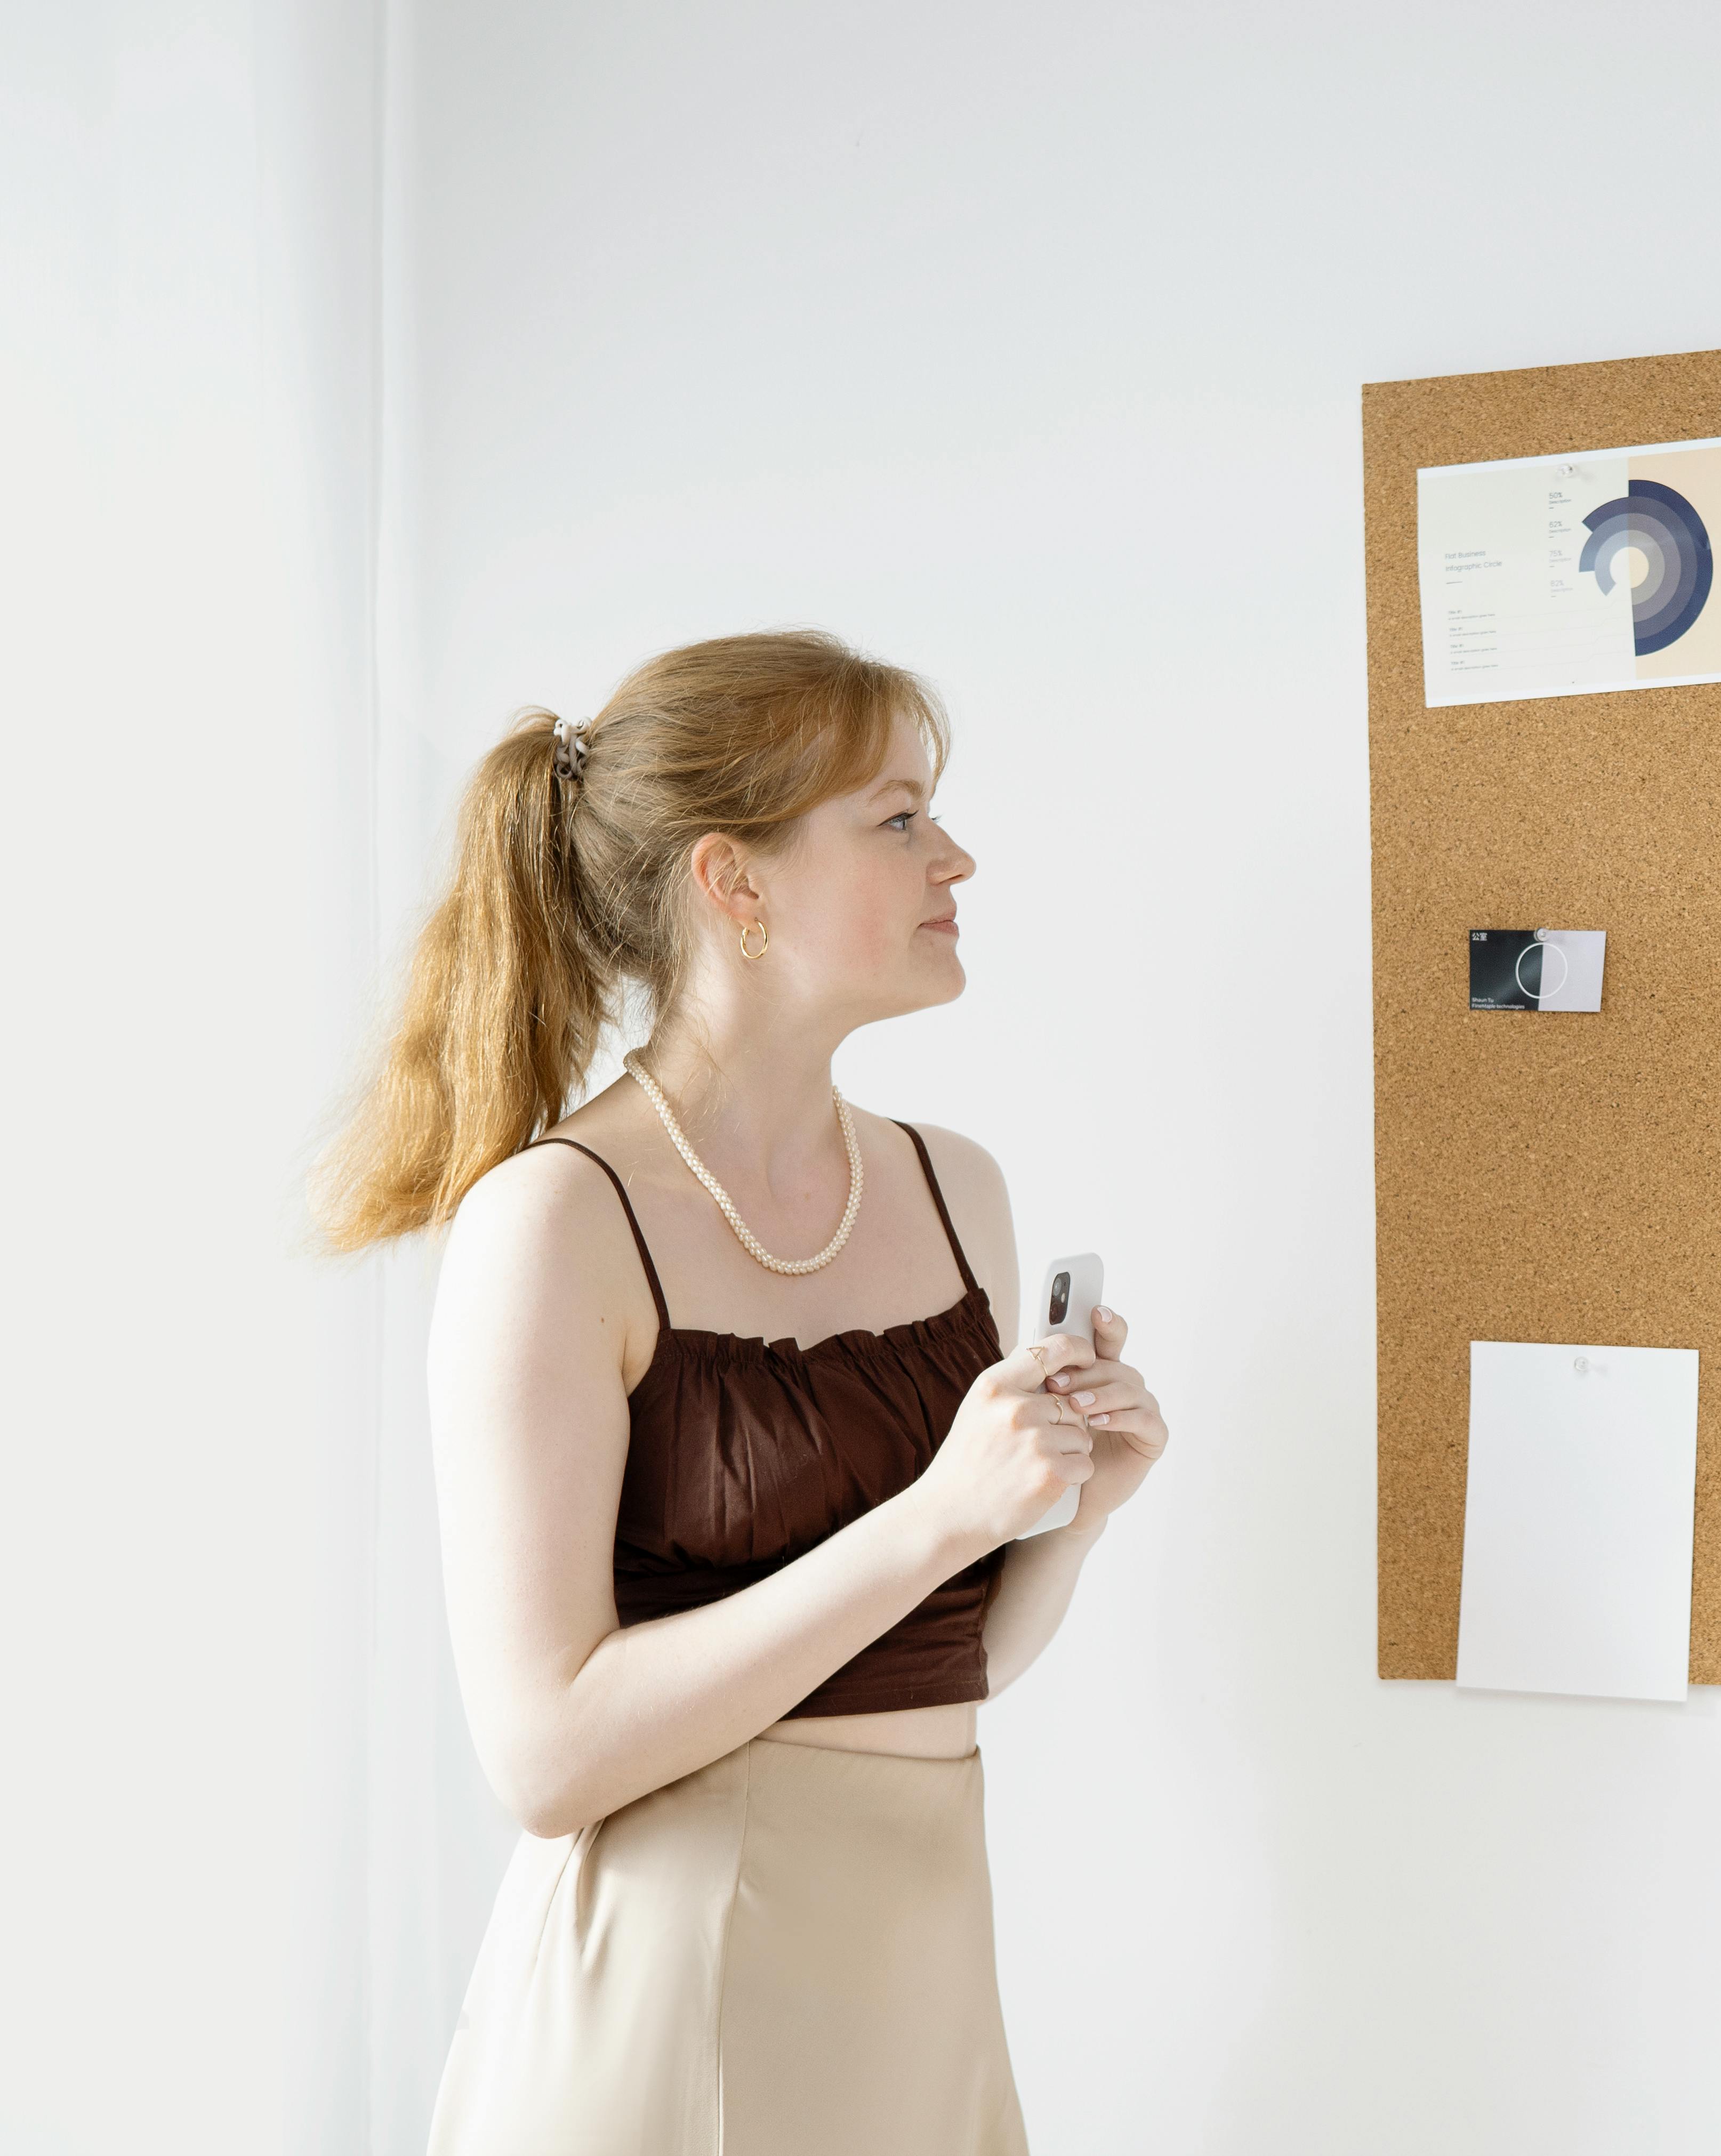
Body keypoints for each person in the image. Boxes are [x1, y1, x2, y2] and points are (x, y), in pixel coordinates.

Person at [321, 631, 1168, 2154]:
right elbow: (547, 1755)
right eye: (899, 818)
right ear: (737, 883)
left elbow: (942, 1664)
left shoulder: (951, 1185)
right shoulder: (561, 1220)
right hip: (671, 1995)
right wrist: (938, 1515)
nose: (954, 856)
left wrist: (1067, 1519)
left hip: (921, 1993)